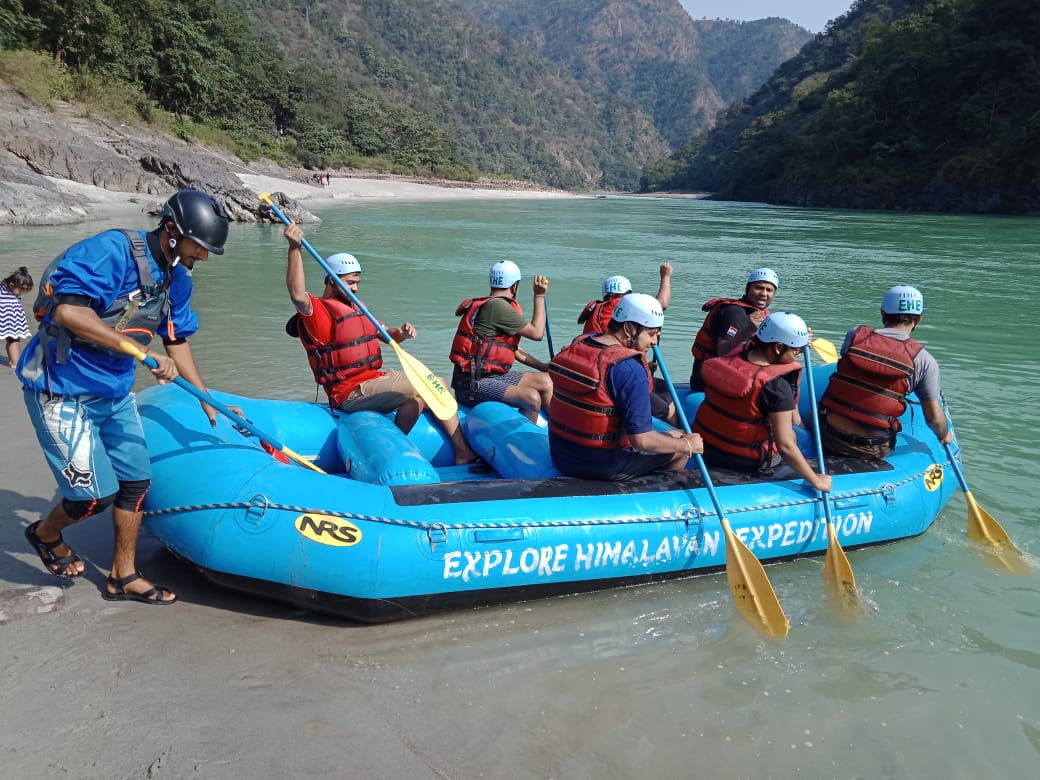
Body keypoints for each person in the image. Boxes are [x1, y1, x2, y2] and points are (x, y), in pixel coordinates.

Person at [16, 189, 234, 604]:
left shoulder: (177, 279)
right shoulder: (111, 251)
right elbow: (68, 312)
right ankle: (44, 534)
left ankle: (123, 575)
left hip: (113, 391)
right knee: (92, 496)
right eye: (200, 247)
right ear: (172, 230)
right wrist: (141, 353)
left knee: (136, 482)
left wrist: (206, 399)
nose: (203, 257)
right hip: (60, 389)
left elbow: (178, 340)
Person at [283, 223, 476, 464]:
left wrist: (402, 333)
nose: (354, 287)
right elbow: (298, 296)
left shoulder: (356, 306)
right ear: (332, 281)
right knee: (434, 384)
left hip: (373, 380)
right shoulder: (319, 313)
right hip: (350, 392)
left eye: (357, 282)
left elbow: (387, 334)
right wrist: (295, 248)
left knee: (417, 399)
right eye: (350, 282)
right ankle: (462, 452)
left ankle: (392, 449)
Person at [548, 293, 702, 481]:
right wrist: (687, 446)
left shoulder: (580, 343)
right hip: (600, 464)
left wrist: (680, 438)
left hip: (561, 454)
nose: (654, 342)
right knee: (682, 446)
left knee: (678, 434)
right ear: (629, 328)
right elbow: (641, 440)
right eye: (651, 334)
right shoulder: (629, 368)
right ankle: (663, 490)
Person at [694, 311, 831, 492]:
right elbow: (785, 446)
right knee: (795, 435)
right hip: (747, 462)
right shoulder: (775, 386)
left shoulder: (735, 355)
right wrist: (816, 481)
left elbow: (749, 342)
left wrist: (797, 340)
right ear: (778, 348)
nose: (798, 355)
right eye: (796, 351)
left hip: (708, 449)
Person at [818, 285, 953, 459]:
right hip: (874, 448)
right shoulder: (925, 361)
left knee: (811, 414)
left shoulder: (855, 335)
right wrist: (944, 435)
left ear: (883, 313)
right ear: (918, 319)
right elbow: (934, 418)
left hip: (828, 435)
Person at [449, 260, 553, 422]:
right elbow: (537, 332)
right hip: (473, 386)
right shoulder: (498, 307)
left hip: (492, 377)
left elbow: (513, 349)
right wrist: (539, 295)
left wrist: (544, 367)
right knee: (531, 399)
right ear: (514, 286)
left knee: (547, 381)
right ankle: (524, 443)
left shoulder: (494, 305)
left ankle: (558, 433)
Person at [689, 267, 779, 391]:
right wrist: (749, 329)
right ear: (748, 289)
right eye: (758, 287)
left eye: (769, 290)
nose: (764, 293)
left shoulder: (758, 314)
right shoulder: (735, 314)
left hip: (729, 374)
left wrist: (797, 343)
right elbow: (724, 351)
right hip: (709, 380)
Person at [577, 264, 672, 335]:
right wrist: (665, 276)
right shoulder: (625, 305)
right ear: (628, 294)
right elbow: (661, 304)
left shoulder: (596, 308)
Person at [1, 266, 33, 371]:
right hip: (7, 322)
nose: (22, 293)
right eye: (20, 290)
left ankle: (12, 361)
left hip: (12, 322)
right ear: (11, 284)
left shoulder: (10, 289)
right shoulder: (2, 290)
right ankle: (15, 363)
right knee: (13, 341)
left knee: (11, 340)